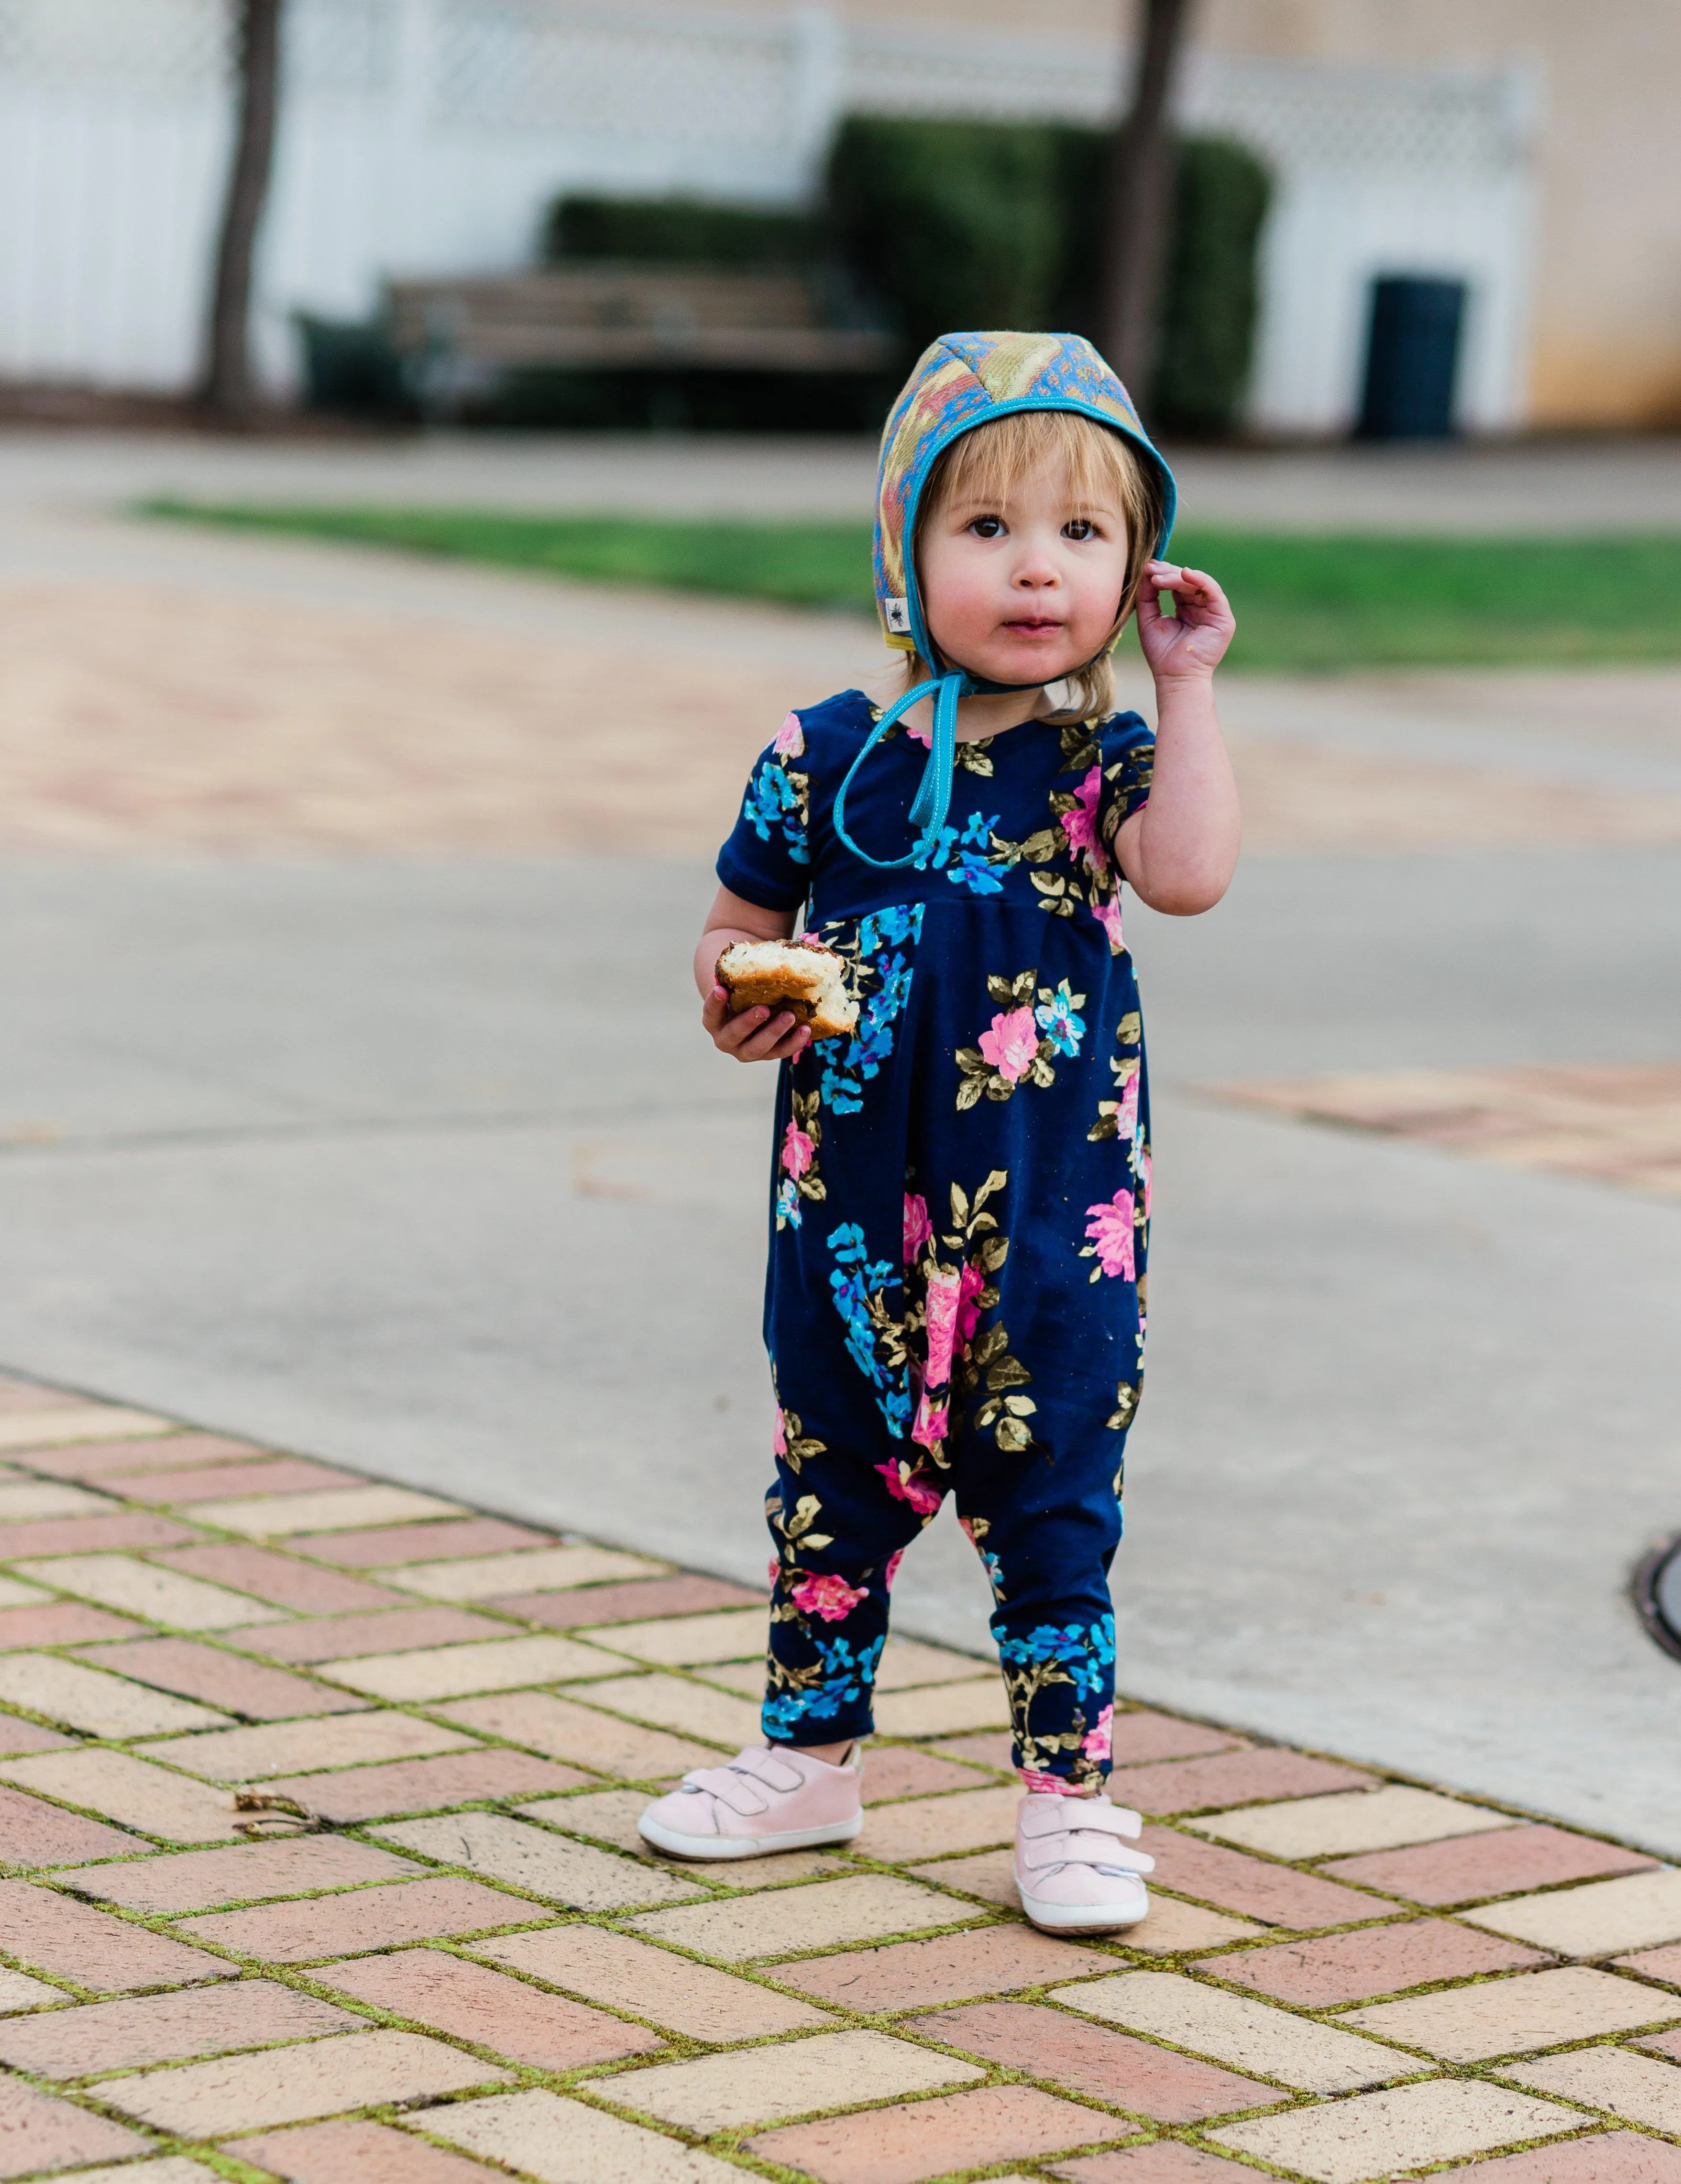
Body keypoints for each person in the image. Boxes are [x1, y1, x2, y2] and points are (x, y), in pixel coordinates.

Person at [638, 331, 1239, 1934]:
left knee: (1052, 1494)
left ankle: (1070, 1795)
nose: (1037, 568)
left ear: (1134, 569)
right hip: (848, 1218)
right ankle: (809, 1753)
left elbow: (1185, 875)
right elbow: (729, 926)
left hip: (1049, 1221)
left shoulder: (1100, 763)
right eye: (986, 528)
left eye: (1082, 533)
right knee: (829, 1477)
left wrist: (1184, 691)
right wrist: (732, 990)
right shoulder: (829, 758)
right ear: (907, 554)